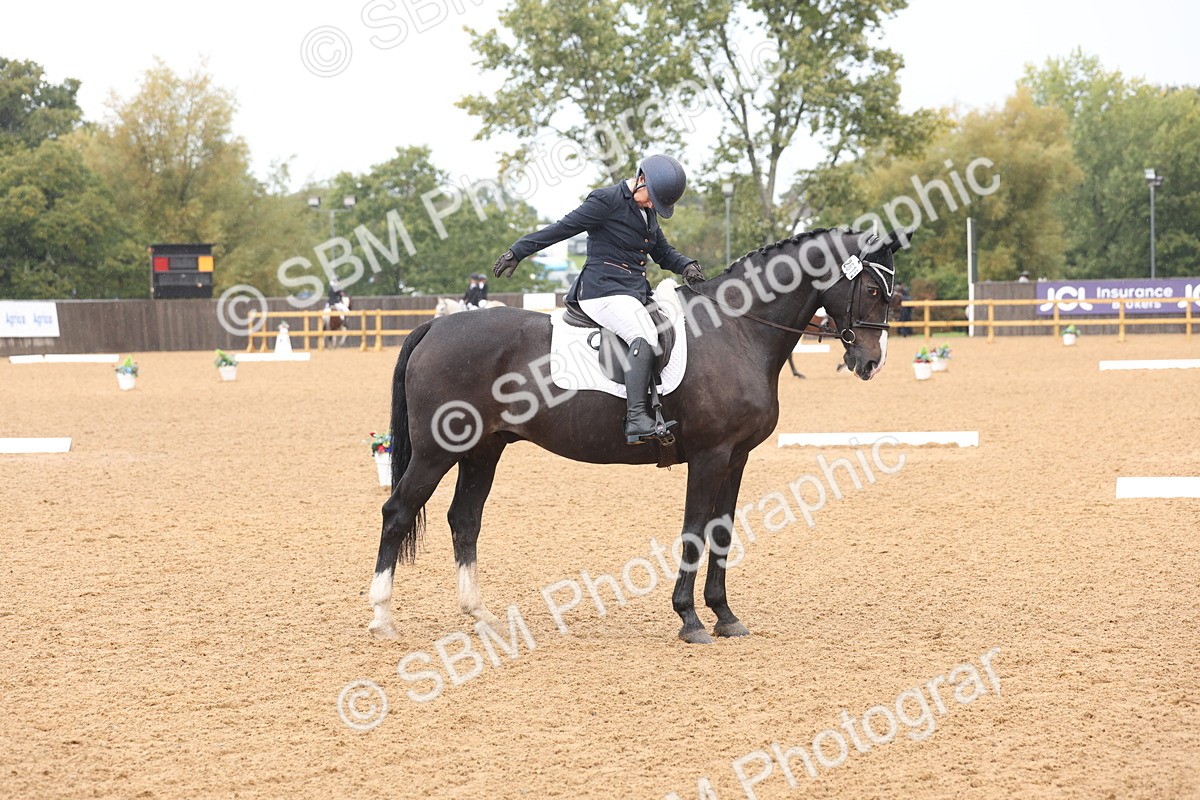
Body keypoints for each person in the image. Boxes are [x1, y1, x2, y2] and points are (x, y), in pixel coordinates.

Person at [493, 154, 704, 445]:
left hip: (632, 291)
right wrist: (518, 250)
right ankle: (637, 418)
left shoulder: (647, 212)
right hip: (602, 291)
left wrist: (686, 266)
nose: (654, 205)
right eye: (653, 198)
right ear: (640, 180)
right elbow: (562, 228)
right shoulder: (606, 201)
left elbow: (662, 252)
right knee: (643, 335)